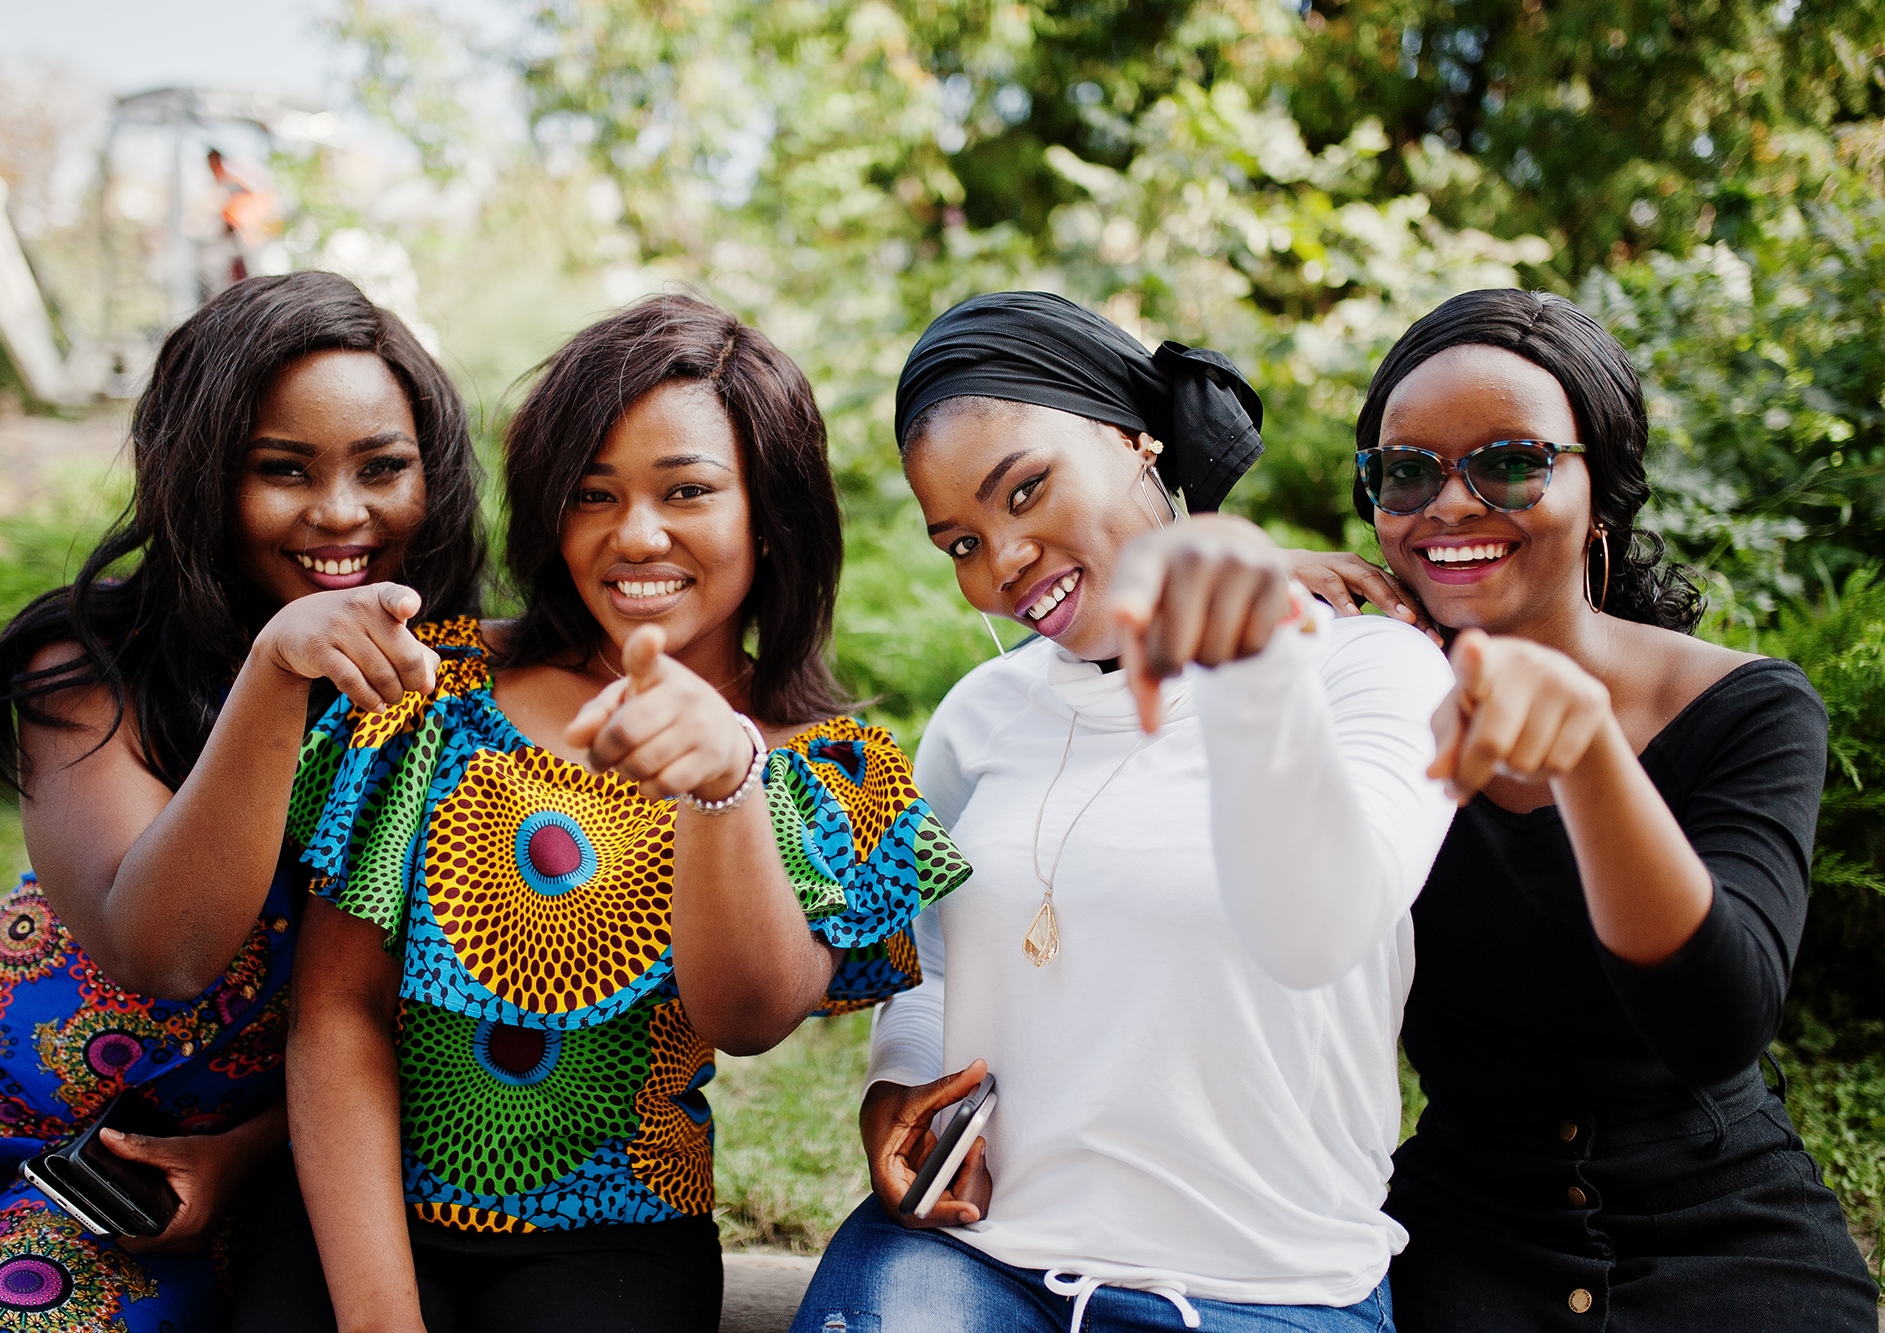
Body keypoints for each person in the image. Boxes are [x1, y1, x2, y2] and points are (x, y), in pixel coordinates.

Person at [240, 294, 970, 1333]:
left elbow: (750, 1017)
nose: (635, 534)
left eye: (687, 490)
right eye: (593, 493)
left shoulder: (821, 767)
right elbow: (337, 1014)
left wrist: (723, 783)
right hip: (357, 1213)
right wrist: (379, 1320)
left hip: (620, 1236)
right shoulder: (434, 691)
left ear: (772, 513)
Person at [790, 290, 1459, 1333]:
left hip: (1264, 1291)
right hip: (975, 1259)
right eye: (959, 542)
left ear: (1134, 437)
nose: (1002, 563)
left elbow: (1327, 918)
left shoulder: (1365, 669)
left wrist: (1238, 646)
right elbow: (933, 962)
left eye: (1025, 490)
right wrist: (898, 1087)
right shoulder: (979, 716)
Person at [0, 270, 485, 1333]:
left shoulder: (462, 706)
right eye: (282, 469)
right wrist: (274, 672)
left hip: (164, 1179)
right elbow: (151, 943)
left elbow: (415, 1028)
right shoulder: (90, 665)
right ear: (201, 474)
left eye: (383, 467)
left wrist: (243, 1158)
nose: (341, 511)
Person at [1322, 289, 1875, 1330]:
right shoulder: (1352, 706)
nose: (1450, 504)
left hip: (1724, 1226)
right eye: (1406, 471)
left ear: (1601, 490)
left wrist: (1587, 757)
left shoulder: (1745, 708)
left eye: (1509, 463)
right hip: (1465, 1233)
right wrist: (1245, 629)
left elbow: (1716, 1022)